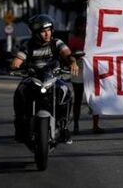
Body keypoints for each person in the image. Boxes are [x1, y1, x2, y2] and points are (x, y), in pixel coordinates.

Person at [10, 14, 79, 143]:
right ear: (36, 33)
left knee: (65, 91)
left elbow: (67, 54)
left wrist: (72, 63)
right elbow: (17, 61)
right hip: (33, 79)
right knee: (20, 90)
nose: (47, 34)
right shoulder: (28, 46)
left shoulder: (56, 43)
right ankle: (20, 126)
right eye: (42, 31)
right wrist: (15, 65)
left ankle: (64, 128)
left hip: (53, 78)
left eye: (48, 30)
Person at [68, 16, 104, 134]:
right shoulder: (74, 39)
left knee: (94, 99)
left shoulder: (93, 38)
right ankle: (76, 125)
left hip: (92, 71)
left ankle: (95, 125)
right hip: (78, 70)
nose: (85, 27)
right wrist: (75, 58)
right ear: (79, 27)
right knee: (77, 99)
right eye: (83, 25)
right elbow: (69, 54)